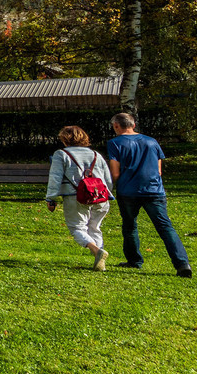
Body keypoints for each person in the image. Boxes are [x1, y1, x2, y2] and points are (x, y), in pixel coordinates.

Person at [104, 112, 190, 277]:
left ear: (116, 126)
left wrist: (112, 186)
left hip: (128, 191)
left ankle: (134, 260)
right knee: (165, 227)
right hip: (153, 190)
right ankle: (182, 263)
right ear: (133, 124)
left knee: (130, 226)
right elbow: (158, 170)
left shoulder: (114, 143)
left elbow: (115, 173)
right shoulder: (152, 141)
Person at [44, 126, 110, 271]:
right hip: (100, 197)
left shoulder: (61, 154)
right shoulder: (95, 154)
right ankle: (100, 262)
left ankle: (95, 250)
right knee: (95, 227)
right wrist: (108, 193)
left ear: (64, 139)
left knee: (76, 227)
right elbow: (107, 178)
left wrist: (51, 198)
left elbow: (55, 177)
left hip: (76, 197)